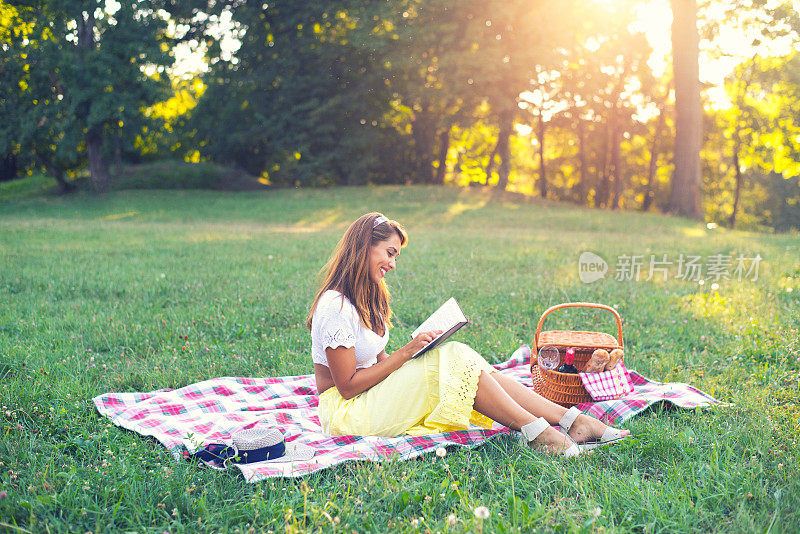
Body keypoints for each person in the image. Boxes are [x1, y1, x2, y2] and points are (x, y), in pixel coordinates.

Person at [307, 212, 629, 456]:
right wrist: (406, 354)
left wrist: (416, 355)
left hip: (372, 397)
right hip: (346, 413)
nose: (393, 264)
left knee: (458, 359)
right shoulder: (335, 306)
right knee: (455, 358)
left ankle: (571, 420)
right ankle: (541, 433)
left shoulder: (371, 296)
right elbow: (347, 387)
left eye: (396, 257)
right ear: (364, 246)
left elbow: (379, 366)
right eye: (389, 253)